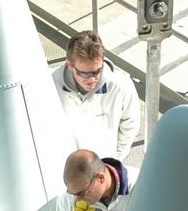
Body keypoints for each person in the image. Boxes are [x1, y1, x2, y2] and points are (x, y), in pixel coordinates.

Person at [52, 31, 140, 162]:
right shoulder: (52, 85)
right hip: (67, 166)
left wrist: (115, 160)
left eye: (97, 71)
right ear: (69, 65)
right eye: (84, 73)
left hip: (103, 167)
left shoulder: (121, 86)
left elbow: (130, 123)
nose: (92, 79)